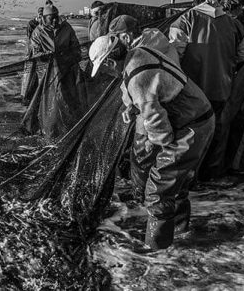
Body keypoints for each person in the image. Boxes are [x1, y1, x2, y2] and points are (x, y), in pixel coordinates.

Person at [89, 30, 214, 250]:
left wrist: (160, 149)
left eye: (104, 68)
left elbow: (157, 121)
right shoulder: (139, 52)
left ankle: (158, 250)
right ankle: (181, 233)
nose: (106, 73)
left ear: (109, 61)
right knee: (176, 182)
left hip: (192, 125)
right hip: (198, 116)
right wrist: (131, 106)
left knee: (158, 187)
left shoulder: (138, 76)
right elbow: (140, 87)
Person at [169, 0, 244, 179]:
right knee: (218, 130)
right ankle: (213, 176)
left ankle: (191, 177)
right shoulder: (234, 23)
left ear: (196, 2)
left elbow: (175, 52)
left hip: (193, 88)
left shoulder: (187, 19)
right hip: (223, 87)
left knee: (191, 133)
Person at [23, 4, 86, 139]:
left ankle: (69, 130)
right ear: (44, 18)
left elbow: (76, 48)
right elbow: (35, 54)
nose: (54, 21)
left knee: (69, 101)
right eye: (51, 18)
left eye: (56, 17)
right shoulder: (38, 32)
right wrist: (47, 55)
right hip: (47, 76)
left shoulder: (67, 28)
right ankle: (49, 132)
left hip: (67, 72)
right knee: (49, 104)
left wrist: (67, 56)